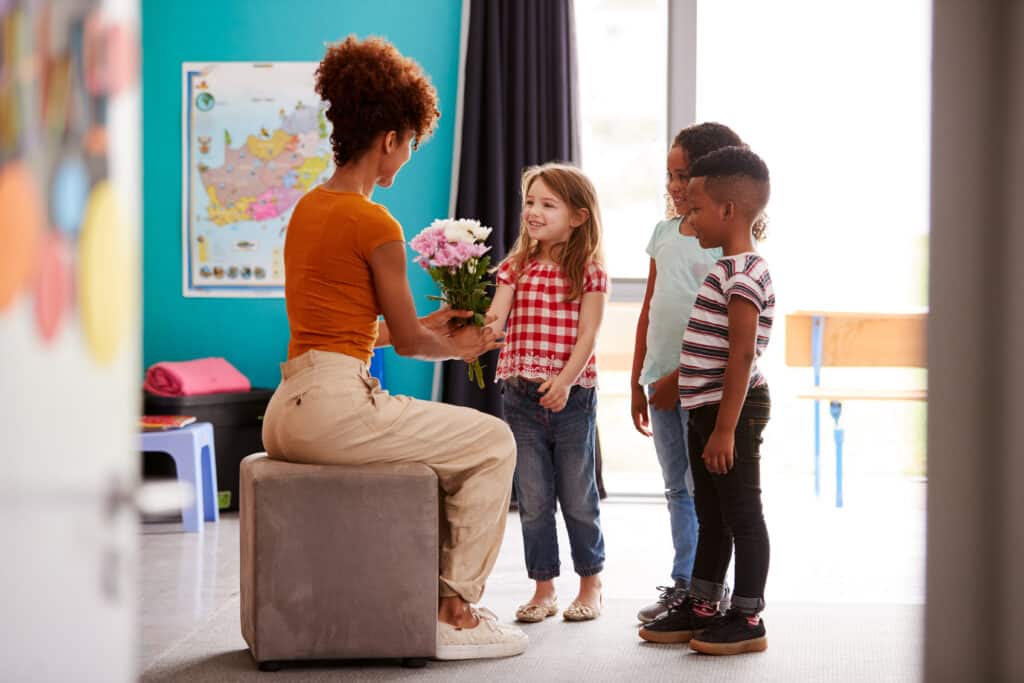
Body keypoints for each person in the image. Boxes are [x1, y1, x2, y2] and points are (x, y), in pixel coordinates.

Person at [260, 36, 528, 661]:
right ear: (389, 138)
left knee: (462, 444)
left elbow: (356, 330)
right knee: (494, 441)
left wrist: (436, 323)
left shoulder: (307, 209)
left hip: (287, 411)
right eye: (409, 144)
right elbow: (407, 344)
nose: (406, 157)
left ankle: (434, 601)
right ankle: (455, 612)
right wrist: (463, 347)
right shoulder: (375, 222)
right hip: (337, 410)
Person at [638, 146, 775, 656]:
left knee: (741, 512)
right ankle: (702, 604)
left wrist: (724, 429)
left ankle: (748, 616)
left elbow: (742, 355)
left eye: (696, 210)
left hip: (729, 411)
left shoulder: (745, 273)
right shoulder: (726, 269)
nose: (689, 219)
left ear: (728, 210)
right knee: (710, 512)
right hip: (704, 407)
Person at [486, 163, 608, 624]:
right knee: (534, 499)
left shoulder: (589, 271)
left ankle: (591, 583)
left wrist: (565, 380)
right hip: (520, 396)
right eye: (530, 202)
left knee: (578, 496)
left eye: (547, 204)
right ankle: (544, 587)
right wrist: (473, 325)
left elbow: (588, 334)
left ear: (578, 216)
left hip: (571, 397)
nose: (533, 212)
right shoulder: (515, 266)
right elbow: (495, 321)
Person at [631, 123, 743, 623]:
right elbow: (649, 309)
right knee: (676, 487)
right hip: (658, 383)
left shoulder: (720, 241)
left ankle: (709, 587)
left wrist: (676, 381)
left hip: (701, 387)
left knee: (704, 491)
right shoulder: (663, 234)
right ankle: (684, 583)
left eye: (685, 176)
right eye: (670, 176)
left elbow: (723, 328)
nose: (676, 186)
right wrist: (639, 381)